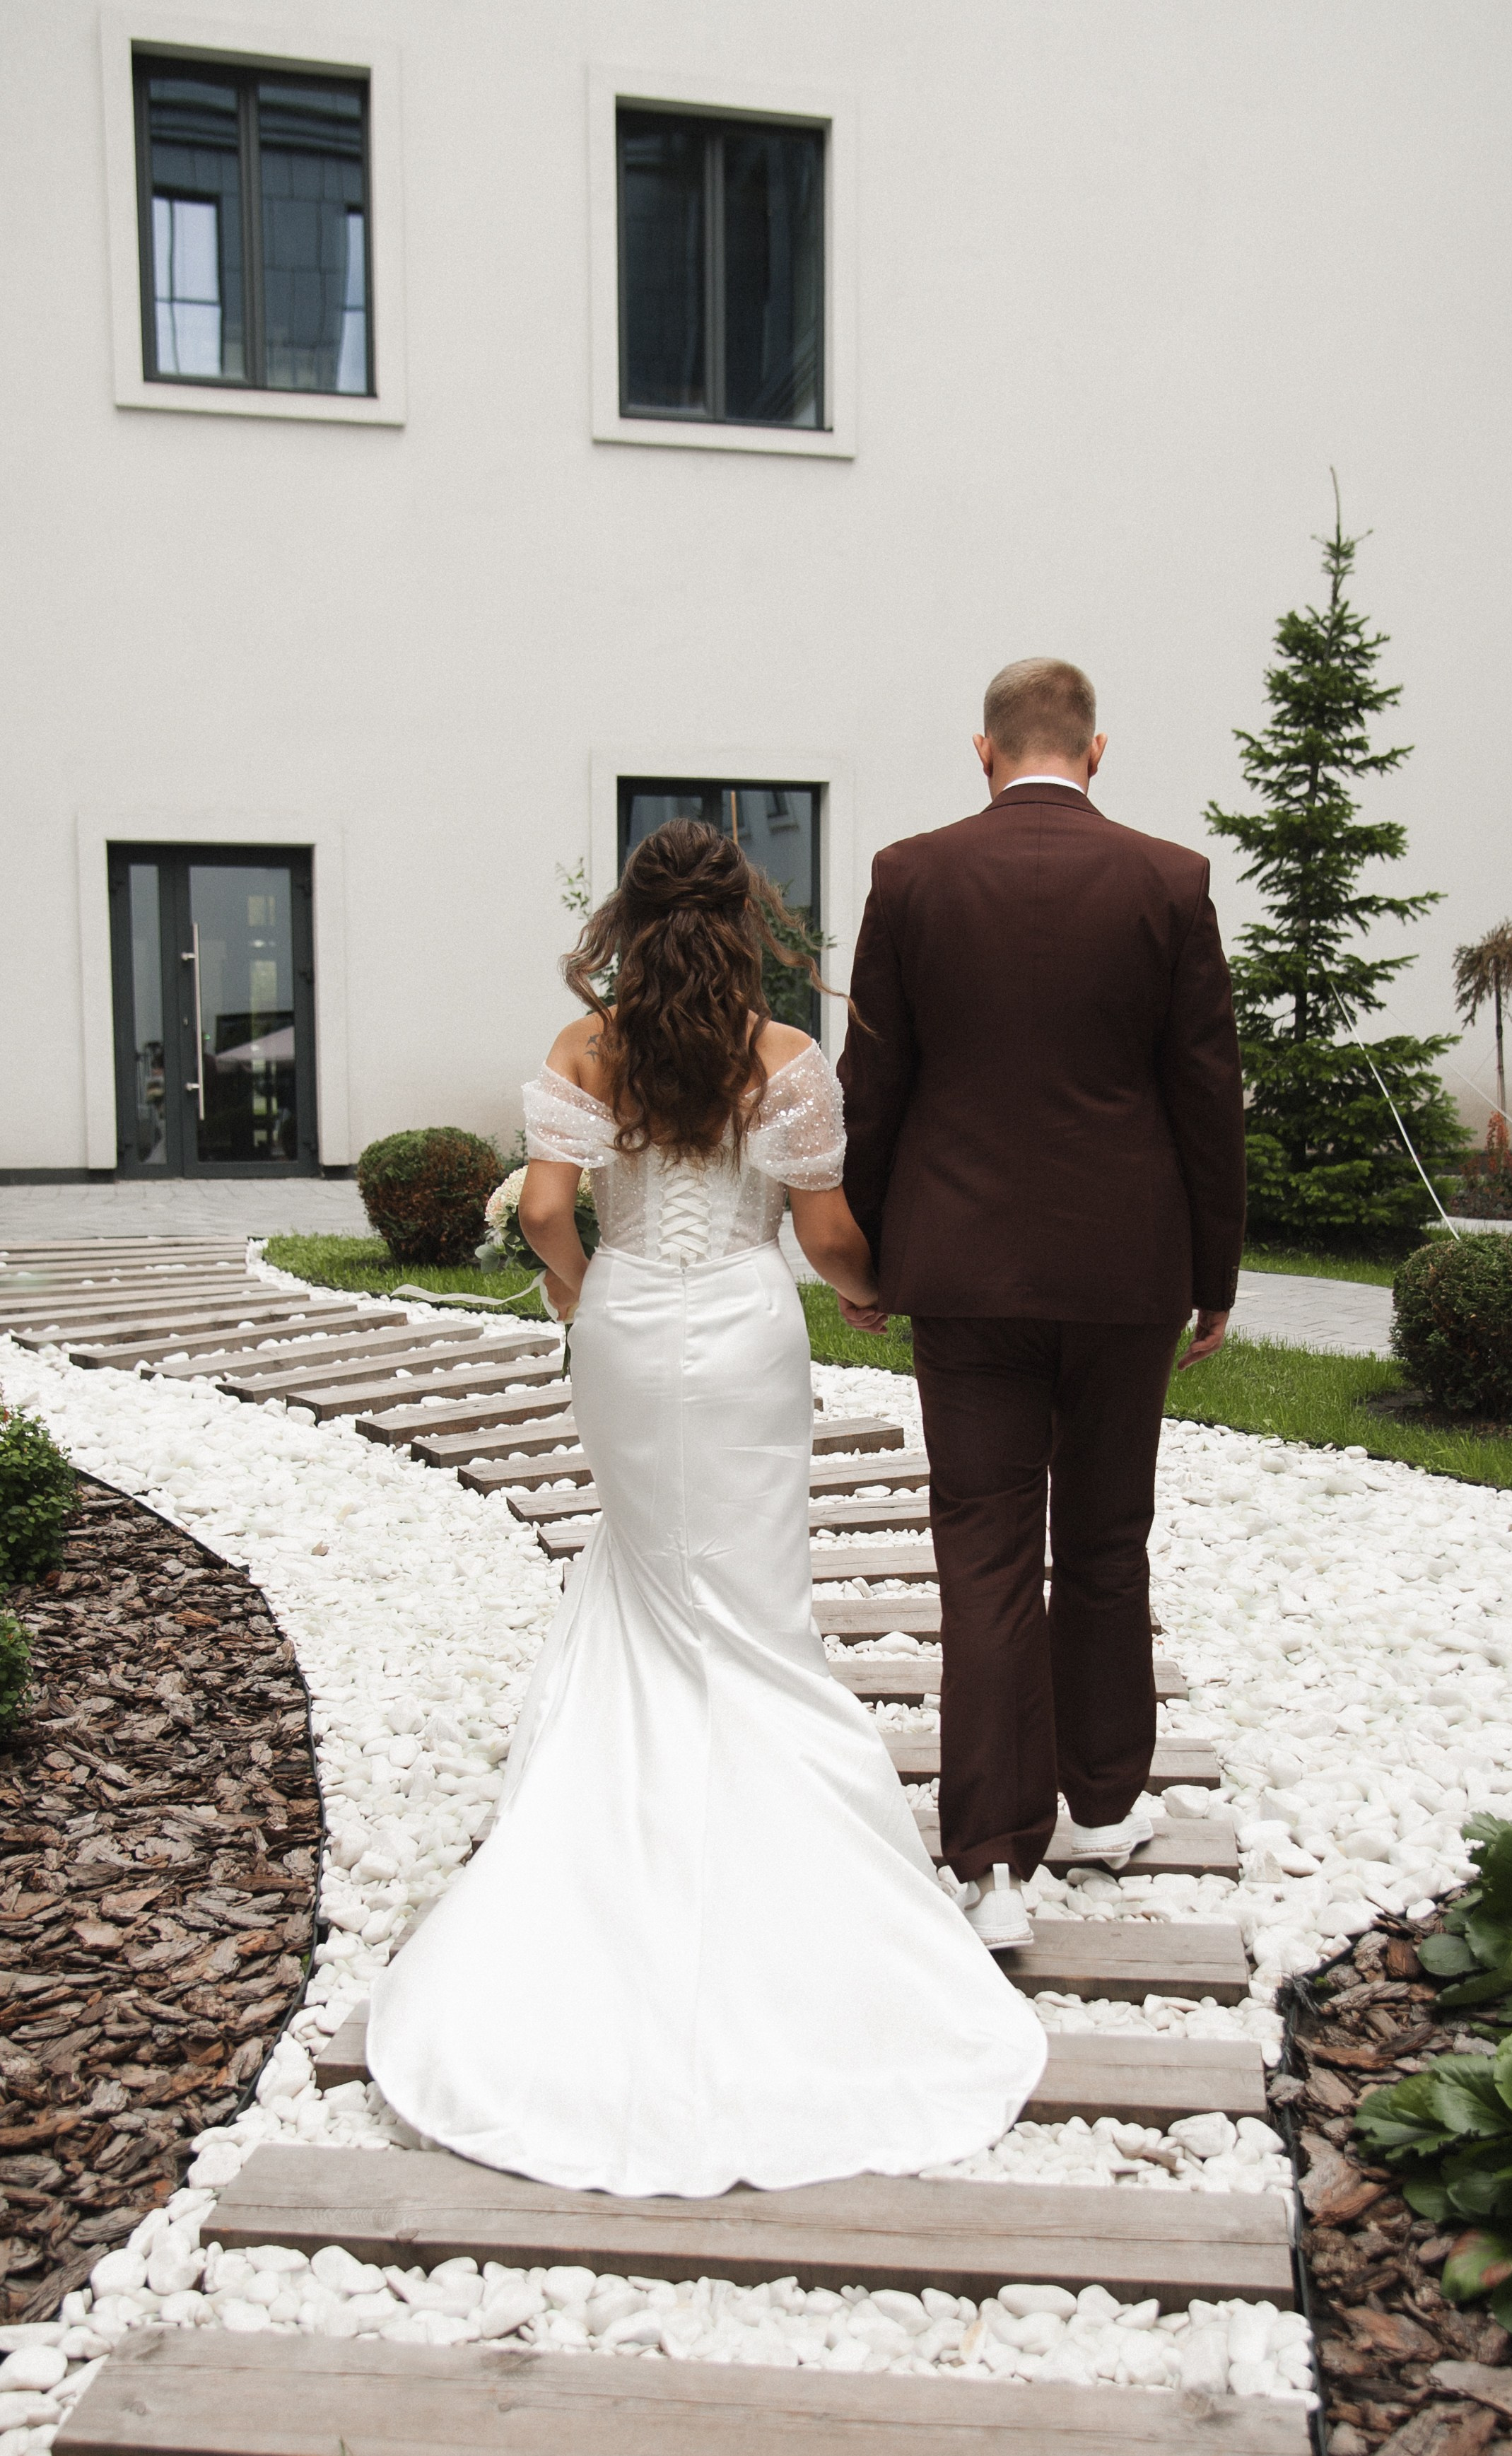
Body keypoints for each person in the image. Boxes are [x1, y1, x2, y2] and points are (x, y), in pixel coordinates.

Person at [368, 819, 1045, 2195]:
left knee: (643, 1566)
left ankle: (620, 1827)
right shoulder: (782, 1057)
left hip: (627, 1332)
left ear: (631, 916)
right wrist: (866, 1288)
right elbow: (829, 1233)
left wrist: (580, 1293)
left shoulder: (586, 1048)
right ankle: (780, 1850)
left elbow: (551, 1212)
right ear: (745, 922)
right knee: (750, 1596)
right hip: (743, 1333)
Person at [838, 659, 1246, 1951]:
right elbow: (1204, 1094)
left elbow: (875, 1081)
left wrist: (870, 1255)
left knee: (986, 1550)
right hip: (1127, 1271)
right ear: (1097, 750)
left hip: (961, 1271)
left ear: (983, 751)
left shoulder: (910, 875)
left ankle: (995, 1864)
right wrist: (1216, 1276)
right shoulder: (1169, 881)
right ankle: (1109, 1804)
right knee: (1109, 1536)